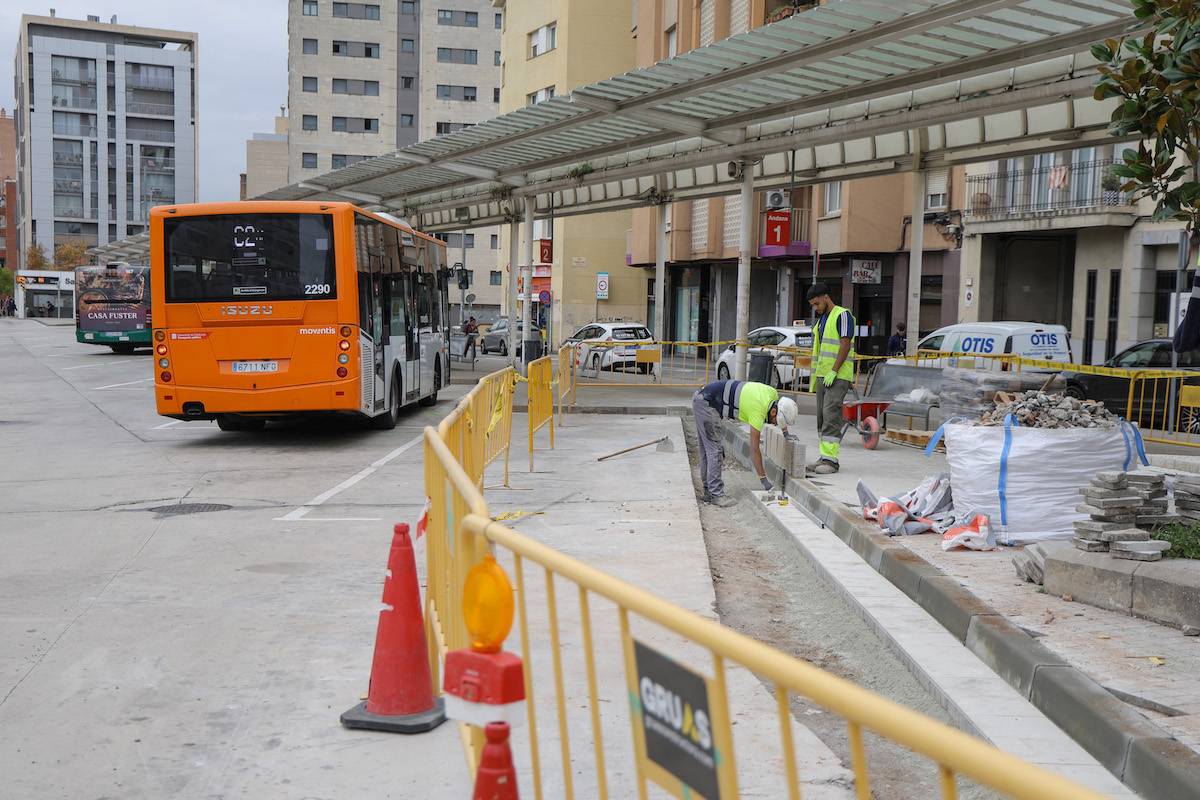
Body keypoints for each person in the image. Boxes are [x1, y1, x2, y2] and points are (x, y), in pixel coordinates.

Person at [692, 377, 799, 507]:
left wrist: (786, 434)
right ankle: (716, 494)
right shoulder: (757, 412)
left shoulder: (772, 394)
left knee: (707, 449)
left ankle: (709, 491)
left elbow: (781, 413)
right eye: (776, 421)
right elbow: (754, 450)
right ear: (773, 411)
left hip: (702, 397)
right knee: (714, 450)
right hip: (707, 403)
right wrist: (764, 481)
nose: (775, 424)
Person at [807, 283, 856, 475]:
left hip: (837, 376)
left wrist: (834, 370)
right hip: (823, 376)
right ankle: (824, 456)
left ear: (826, 297)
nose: (815, 308)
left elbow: (845, 344)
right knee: (821, 417)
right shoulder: (822, 320)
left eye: (817, 303)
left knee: (831, 416)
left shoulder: (842, 315)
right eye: (813, 305)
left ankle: (831, 461)